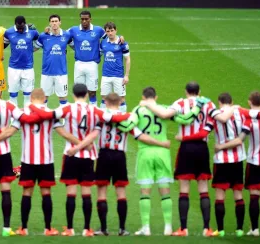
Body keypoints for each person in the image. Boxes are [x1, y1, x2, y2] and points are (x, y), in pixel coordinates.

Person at [29, 83, 132, 237]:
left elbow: (46, 116)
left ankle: (70, 229)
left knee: (71, 192)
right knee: (86, 192)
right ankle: (87, 229)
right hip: (88, 156)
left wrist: (33, 107)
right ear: (86, 95)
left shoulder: (68, 108)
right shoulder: (95, 109)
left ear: (73, 94)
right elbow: (116, 116)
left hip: (71, 154)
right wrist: (131, 114)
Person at [0, 88, 83, 236]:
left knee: (26, 192)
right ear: (43, 98)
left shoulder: (23, 113)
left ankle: (23, 228)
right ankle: (48, 229)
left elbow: (9, 132)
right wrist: (81, 143)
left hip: (27, 160)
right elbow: (64, 133)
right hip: (46, 160)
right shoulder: (50, 113)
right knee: (46, 193)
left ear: (31, 98)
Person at [140, 81, 237, 237]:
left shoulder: (180, 103)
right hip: (201, 149)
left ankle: (183, 229)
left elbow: (164, 114)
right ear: (199, 91)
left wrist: (147, 103)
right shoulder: (208, 104)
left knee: (184, 189)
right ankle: (207, 229)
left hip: (186, 148)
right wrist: (233, 107)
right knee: (203, 188)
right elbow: (223, 118)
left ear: (186, 91)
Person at [67, 92, 170, 236]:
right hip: (120, 156)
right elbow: (140, 135)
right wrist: (161, 143)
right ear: (121, 101)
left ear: (106, 102)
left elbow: (90, 131)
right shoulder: (127, 118)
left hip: (104, 155)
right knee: (121, 192)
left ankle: (103, 229)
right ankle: (122, 229)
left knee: (101, 191)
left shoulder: (101, 116)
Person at [176, 93, 260, 237]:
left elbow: (203, 132)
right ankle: (240, 230)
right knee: (238, 194)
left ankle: (220, 230)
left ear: (219, 103)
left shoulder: (215, 115)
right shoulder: (242, 113)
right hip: (238, 159)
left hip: (221, 160)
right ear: (232, 101)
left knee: (220, 196)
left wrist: (184, 137)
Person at [118, 87, 209, 236]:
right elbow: (186, 119)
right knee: (165, 190)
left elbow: (128, 126)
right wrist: (198, 107)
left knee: (145, 191)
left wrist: (109, 120)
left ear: (143, 96)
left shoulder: (138, 110)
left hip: (145, 153)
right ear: (156, 97)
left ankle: (146, 227)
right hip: (163, 154)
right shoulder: (165, 109)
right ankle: (167, 227)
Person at [0, 80, 45, 237]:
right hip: (3, 153)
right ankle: (7, 229)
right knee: (5, 190)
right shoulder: (8, 106)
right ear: (0, 92)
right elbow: (26, 119)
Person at [218, 91, 260, 237]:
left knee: (254, 196)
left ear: (249, 102)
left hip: (254, 161)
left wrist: (221, 147)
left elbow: (240, 139)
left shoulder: (248, 120)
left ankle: (255, 229)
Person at [67, 11, 124, 106]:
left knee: (92, 91)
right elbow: (62, 35)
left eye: (86, 19)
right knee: (78, 91)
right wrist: (73, 45)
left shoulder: (98, 30)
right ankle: (79, 112)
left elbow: (110, 35)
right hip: (78, 64)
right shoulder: (73, 30)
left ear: (90, 19)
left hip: (92, 64)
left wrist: (120, 37)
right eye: (82, 19)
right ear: (80, 19)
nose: (84, 21)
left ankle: (93, 113)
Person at [35, 14, 72, 106]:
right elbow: (34, 48)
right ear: (49, 23)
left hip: (61, 73)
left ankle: (63, 120)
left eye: (56, 21)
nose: (54, 23)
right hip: (47, 73)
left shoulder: (66, 35)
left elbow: (75, 46)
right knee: (44, 98)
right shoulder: (43, 36)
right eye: (52, 21)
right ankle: (44, 119)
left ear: (60, 22)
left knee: (63, 98)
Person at [4, 16, 39, 106]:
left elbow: (39, 42)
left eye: (21, 28)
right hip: (13, 68)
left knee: (28, 95)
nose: (20, 30)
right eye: (18, 28)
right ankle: (14, 119)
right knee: (13, 95)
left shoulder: (32, 32)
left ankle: (27, 118)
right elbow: (3, 45)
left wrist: (32, 50)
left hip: (28, 68)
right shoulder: (9, 32)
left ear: (25, 24)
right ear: (15, 24)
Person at [100, 22, 130, 112]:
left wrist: (127, 75)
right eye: (108, 31)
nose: (110, 33)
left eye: (112, 30)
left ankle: (122, 120)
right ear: (106, 32)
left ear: (116, 30)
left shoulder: (122, 43)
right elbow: (98, 53)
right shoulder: (103, 42)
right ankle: (104, 120)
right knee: (104, 99)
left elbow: (127, 59)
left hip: (118, 76)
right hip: (106, 75)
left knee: (121, 99)